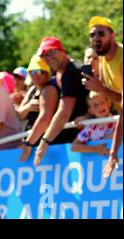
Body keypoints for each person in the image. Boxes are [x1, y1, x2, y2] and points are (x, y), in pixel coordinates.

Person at [34, 37, 89, 166]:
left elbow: (64, 112)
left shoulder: (71, 72)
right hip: (78, 138)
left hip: (81, 139)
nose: (48, 58)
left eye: (51, 52)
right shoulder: (65, 72)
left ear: (61, 51)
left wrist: (45, 140)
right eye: (44, 55)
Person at [16, 55, 60, 162]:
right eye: (31, 72)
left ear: (47, 72)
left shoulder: (50, 88)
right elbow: (18, 115)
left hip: (48, 143)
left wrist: (28, 143)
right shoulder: (32, 90)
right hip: (34, 142)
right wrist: (28, 107)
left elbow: (45, 118)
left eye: (39, 71)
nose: (35, 75)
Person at [82, 16, 122, 110]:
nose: (96, 38)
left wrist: (100, 88)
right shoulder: (102, 58)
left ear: (112, 36)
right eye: (92, 35)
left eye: (101, 33)